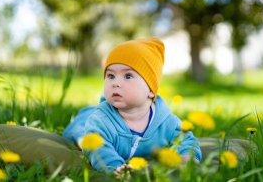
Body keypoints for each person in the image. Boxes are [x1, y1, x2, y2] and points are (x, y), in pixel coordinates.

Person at [63, 38, 202, 173]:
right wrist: (115, 167)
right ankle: (82, 121)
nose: (115, 83)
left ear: (151, 91)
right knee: (80, 135)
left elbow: (186, 139)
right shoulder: (100, 120)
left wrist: (188, 157)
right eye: (111, 76)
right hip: (87, 120)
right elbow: (99, 149)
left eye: (128, 76)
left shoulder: (166, 122)